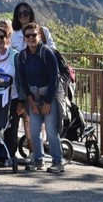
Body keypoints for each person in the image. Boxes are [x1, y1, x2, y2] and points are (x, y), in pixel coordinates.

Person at [18, 22, 65, 173]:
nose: (31, 38)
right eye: (28, 35)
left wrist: (47, 102)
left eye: (34, 35)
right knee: (34, 129)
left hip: (50, 94)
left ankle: (58, 161)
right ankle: (38, 160)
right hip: (33, 95)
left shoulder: (47, 53)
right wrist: (31, 102)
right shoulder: (22, 56)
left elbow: (54, 79)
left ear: (39, 36)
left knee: (51, 130)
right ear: (24, 38)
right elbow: (23, 81)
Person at [0, 26, 23, 162]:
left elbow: (21, 79)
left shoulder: (15, 56)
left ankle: (10, 155)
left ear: (7, 39)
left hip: (13, 98)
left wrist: (22, 101)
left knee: (12, 128)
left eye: (1, 37)